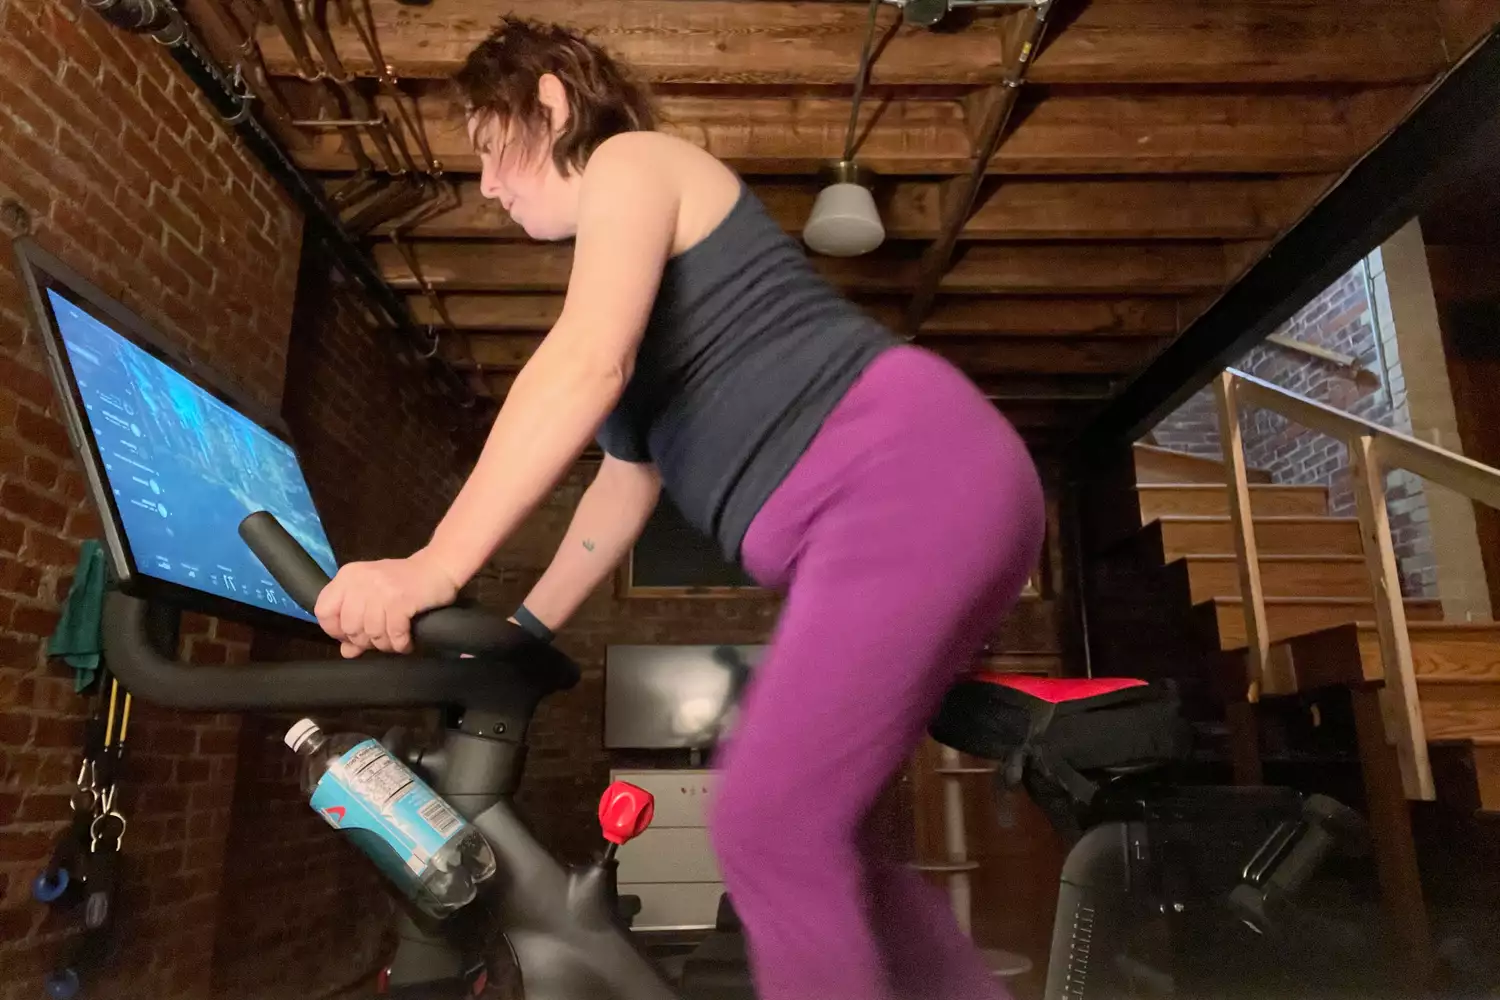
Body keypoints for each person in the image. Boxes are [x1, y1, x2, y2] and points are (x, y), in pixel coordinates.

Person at [312, 17, 1045, 1000]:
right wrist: (523, 633)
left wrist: (432, 566)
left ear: (550, 105)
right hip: (922, 490)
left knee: (768, 823)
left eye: (490, 147)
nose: (485, 185)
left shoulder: (633, 160)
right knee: (826, 842)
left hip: (910, 476)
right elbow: (622, 488)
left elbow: (585, 363)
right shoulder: (640, 279)